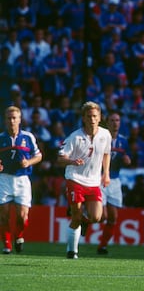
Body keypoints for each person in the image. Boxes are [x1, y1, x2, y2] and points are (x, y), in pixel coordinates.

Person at [57, 102, 112, 259]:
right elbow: (60, 158)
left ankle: (85, 221)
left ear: (100, 118)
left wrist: (106, 173)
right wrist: (72, 161)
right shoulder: (75, 137)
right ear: (83, 118)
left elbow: (107, 153)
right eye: (89, 116)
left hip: (94, 182)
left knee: (97, 217)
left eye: (95, 116)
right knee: (76, 216)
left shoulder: (105, 135)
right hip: (75, 179)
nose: (92, 119)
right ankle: (72, 251)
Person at [0, 106, 42, 254]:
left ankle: (18, 236)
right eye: (9, 118)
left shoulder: (28, 137)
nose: (11, 121)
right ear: (5, 120)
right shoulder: (1, 138)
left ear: (19, 120)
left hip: (22, 179)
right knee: (3, 214)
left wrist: (29, 162)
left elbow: (39, 156)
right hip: (4, 179)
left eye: (14, 118)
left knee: (22, 217)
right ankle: (7, 244)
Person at [97, 111, 131, 255]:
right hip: (99, 179)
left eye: (117, 120)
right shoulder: (100, 137)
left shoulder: (123, 141)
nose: (115, 123)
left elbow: (126, 157)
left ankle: (102, 246)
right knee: (102, 216)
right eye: (112, 120)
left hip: (115, 180)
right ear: (107, 122)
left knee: (113, 217)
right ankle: (86, 219)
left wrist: (127, 161)